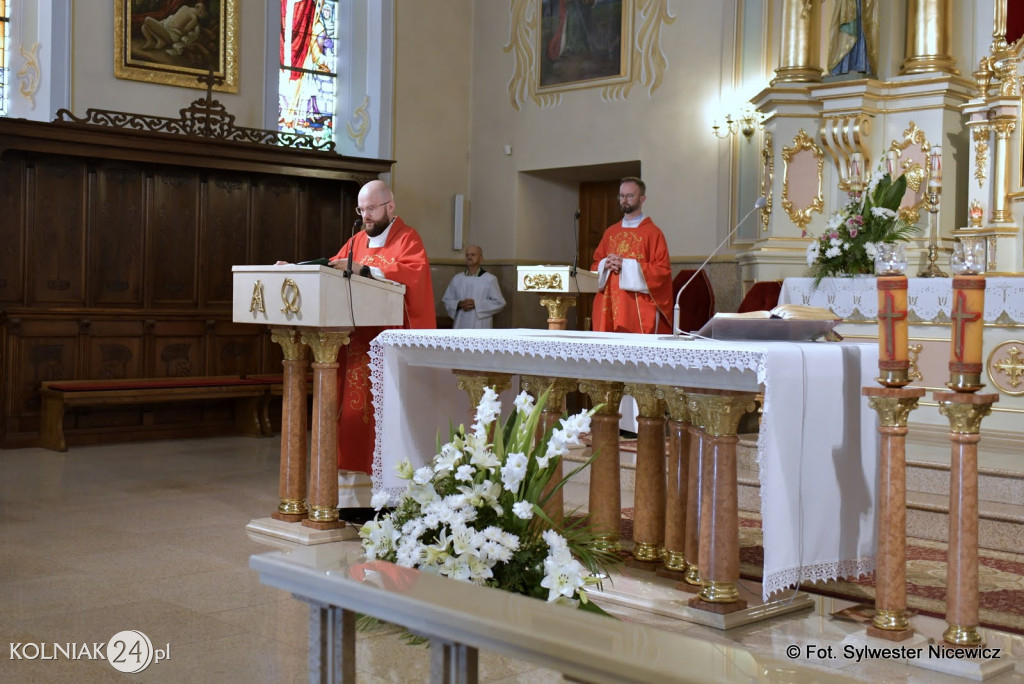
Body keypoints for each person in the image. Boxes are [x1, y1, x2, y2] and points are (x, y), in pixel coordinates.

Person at [329, 180, 436, 513]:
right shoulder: (356, 240)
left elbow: (414, 274)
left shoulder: (407, 238)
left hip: (391, 348)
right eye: (361, 210)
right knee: (351, 417)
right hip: (358, 345)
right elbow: (332, 266)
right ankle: (353, 500)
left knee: (388, 417)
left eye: (372, 209)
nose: (366, 216)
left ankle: (392, 498)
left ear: (391, 206)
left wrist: (368, 270)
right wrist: (298, 269)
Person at [590, 177, 672, 334]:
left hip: (636, 309)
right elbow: (595, 265)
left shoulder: (653, 233)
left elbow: (662, 272)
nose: (624, 200)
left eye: (630, 196)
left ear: (642, 199)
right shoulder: (610, 232)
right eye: (621, 196)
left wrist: (626, 265)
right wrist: (605, 265)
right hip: (608, 305)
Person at [441, 245, 506, 329]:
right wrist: (459, 304)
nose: (469, 257)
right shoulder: (457, 278)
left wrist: (476, 304)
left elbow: (499, 303)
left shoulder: (489, 279)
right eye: (467, 255)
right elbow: (447, 300)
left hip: (481, 323)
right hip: (461, 322)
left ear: (481, 258)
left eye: (473, 255)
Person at [140, 2, 207, 52]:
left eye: (203, 12)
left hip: (170, 35)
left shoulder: (194, 19)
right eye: (202, 10)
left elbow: (184, 31)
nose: (202, 11)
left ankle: (162, 41)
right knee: (144, 26)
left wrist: (178, 27)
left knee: (147, 19)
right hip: (166, 25)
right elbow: (175, 17)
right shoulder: (185, 7)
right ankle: (152, 41)